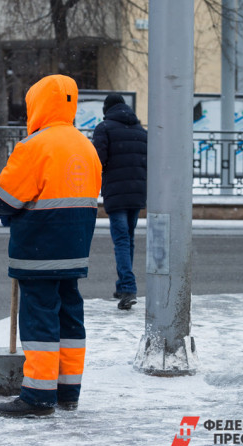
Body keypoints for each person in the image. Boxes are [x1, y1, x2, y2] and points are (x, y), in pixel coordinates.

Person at [0, 75, 102, 418]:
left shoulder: (35, 146)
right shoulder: (86, 146)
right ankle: (67, 390)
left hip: (39, 250)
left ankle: (37, 395)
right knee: (69, 317)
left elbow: (3, 198)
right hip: (75, 247)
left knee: (39, 321)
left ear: (37, 104)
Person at [91, 94, 147, 310]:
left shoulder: (104, 128)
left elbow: (99, 161)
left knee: (122, 240)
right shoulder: (140, 131)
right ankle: (123, 285)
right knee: (128, 239)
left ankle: (128, 287)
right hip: (137, 192)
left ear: (107, 109)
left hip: (116, 191)